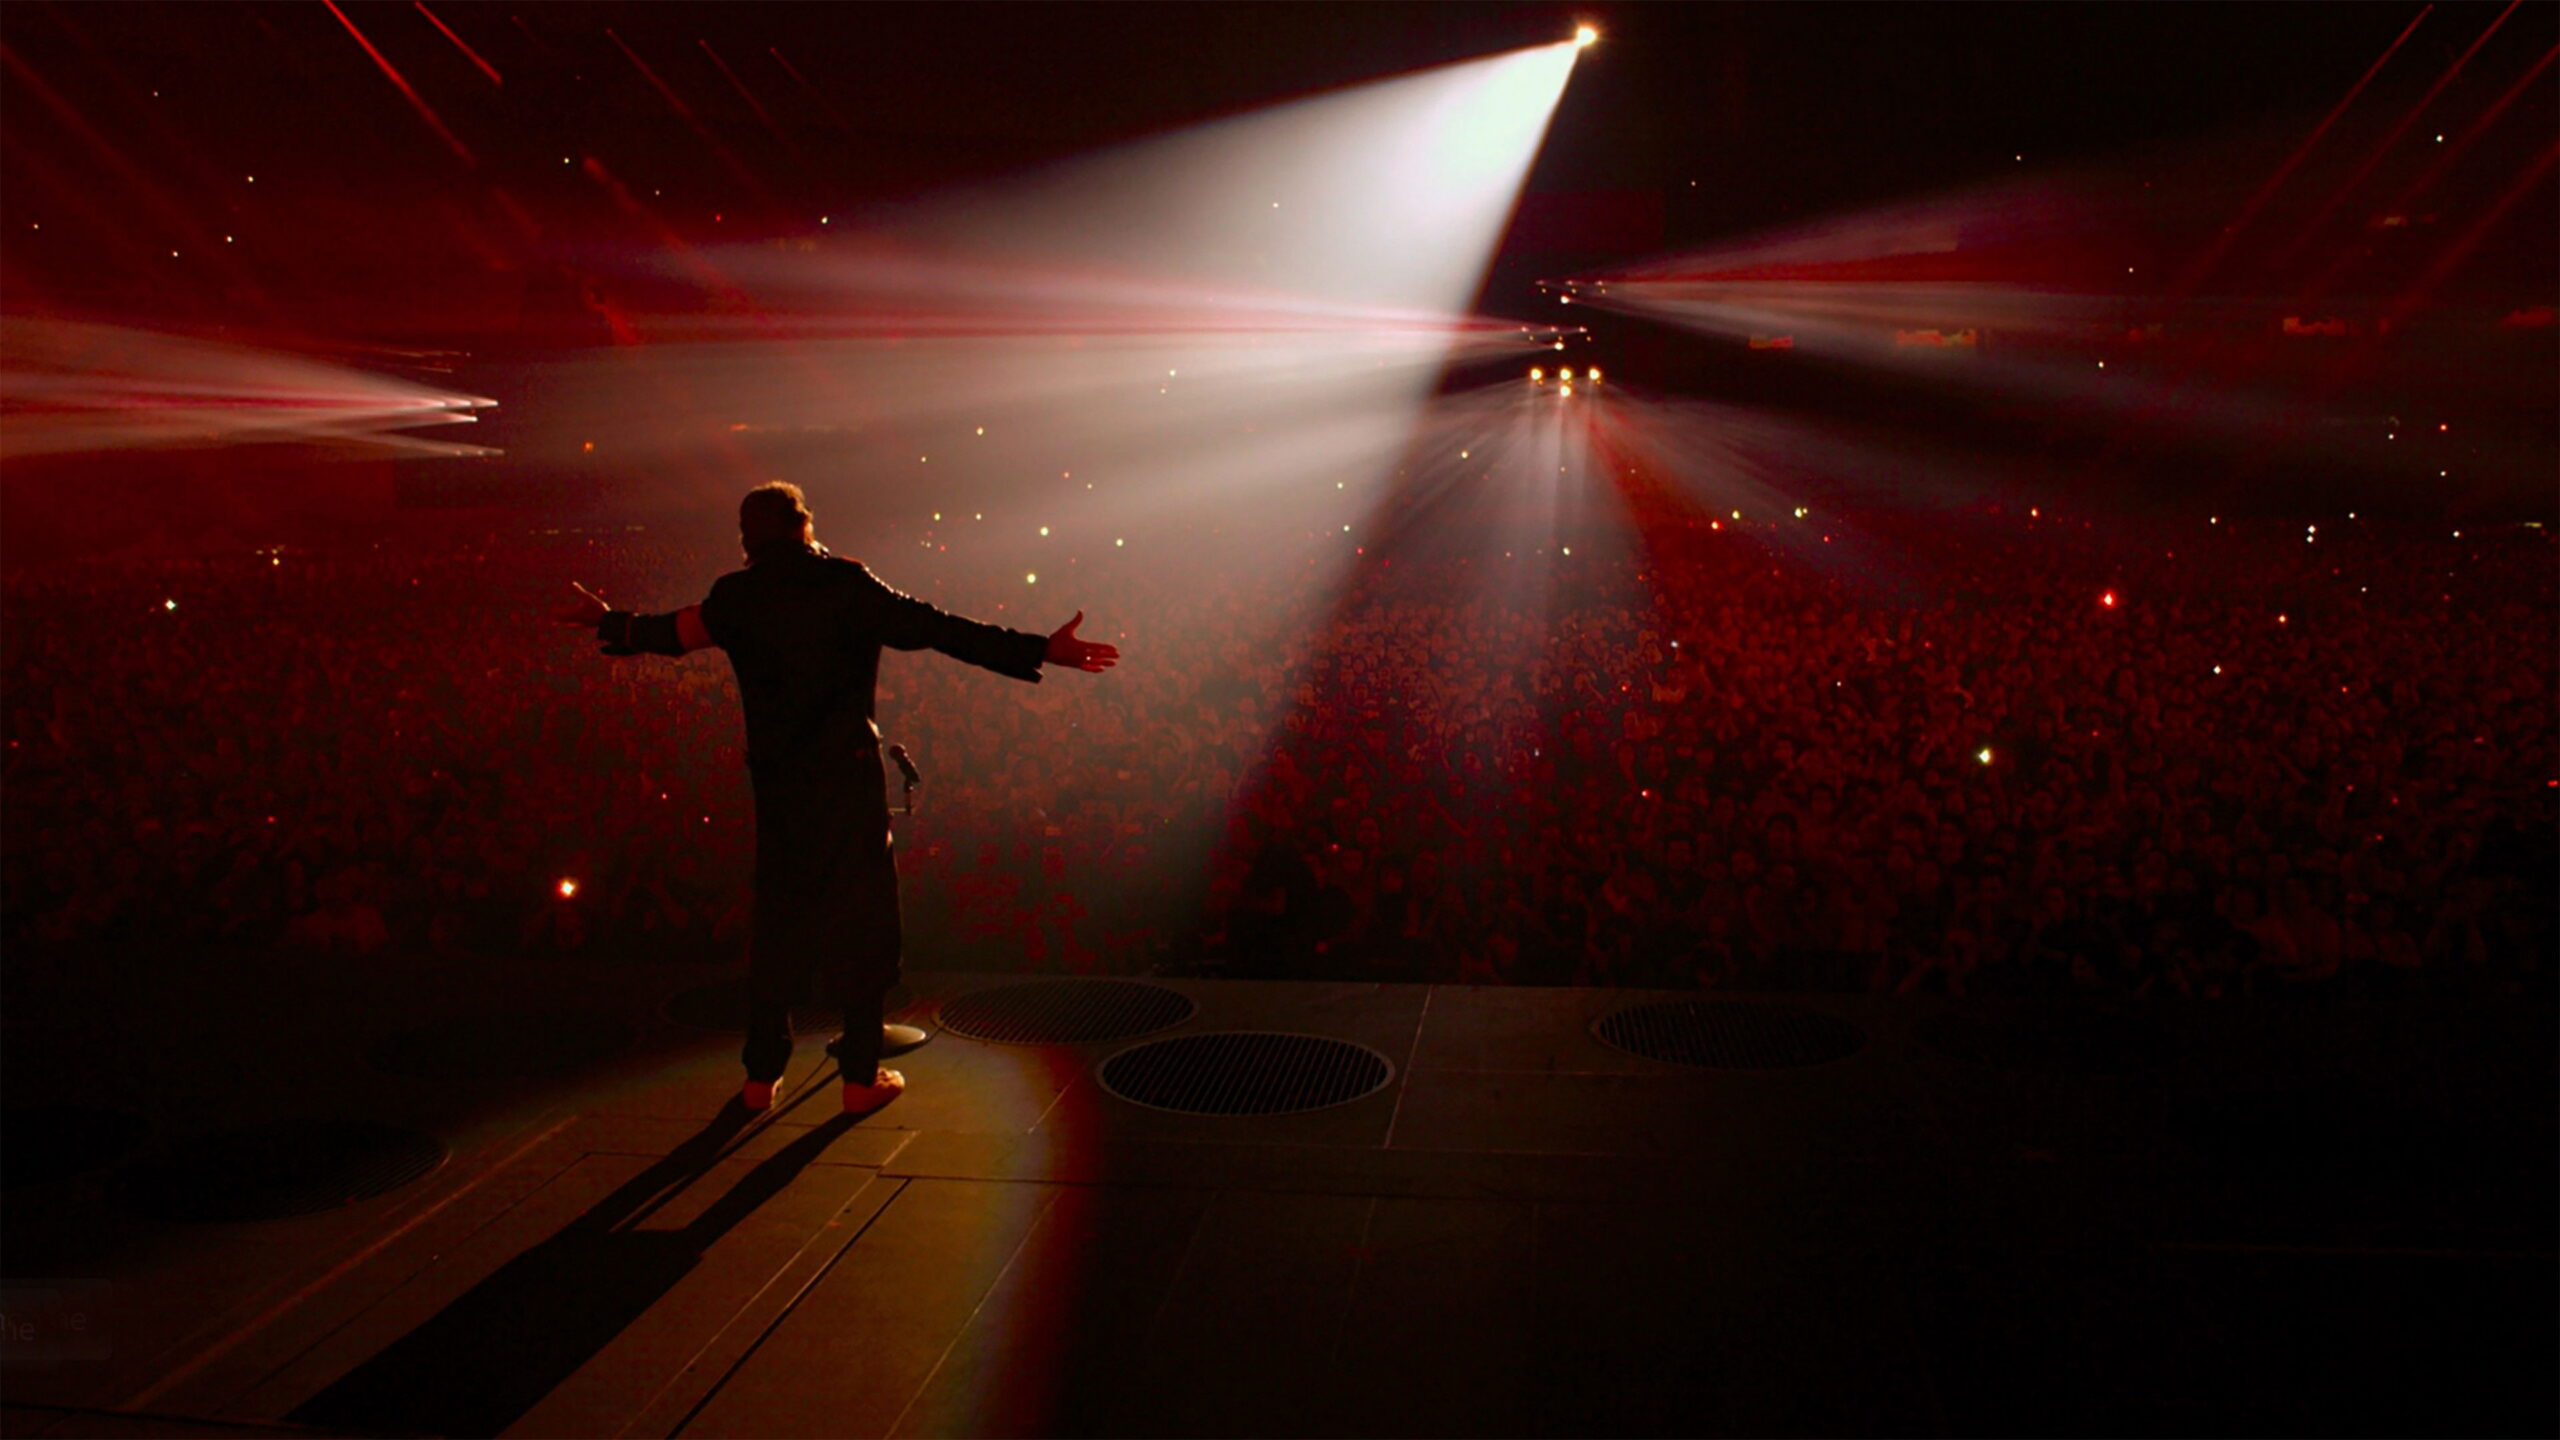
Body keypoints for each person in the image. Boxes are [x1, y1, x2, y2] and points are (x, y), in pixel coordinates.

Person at [553, 482, 1117, 1114]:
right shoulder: (846, 585)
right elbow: (939, 628)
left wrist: (605, 619)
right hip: (847, 782)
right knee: (863, 921)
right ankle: (858, 1079)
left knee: (778, 925)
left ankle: (759, 1078)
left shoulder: (735, 596)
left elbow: (667, 633)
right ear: (805, 525)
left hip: (778, 785)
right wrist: (1039, 648)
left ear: (747, 539)